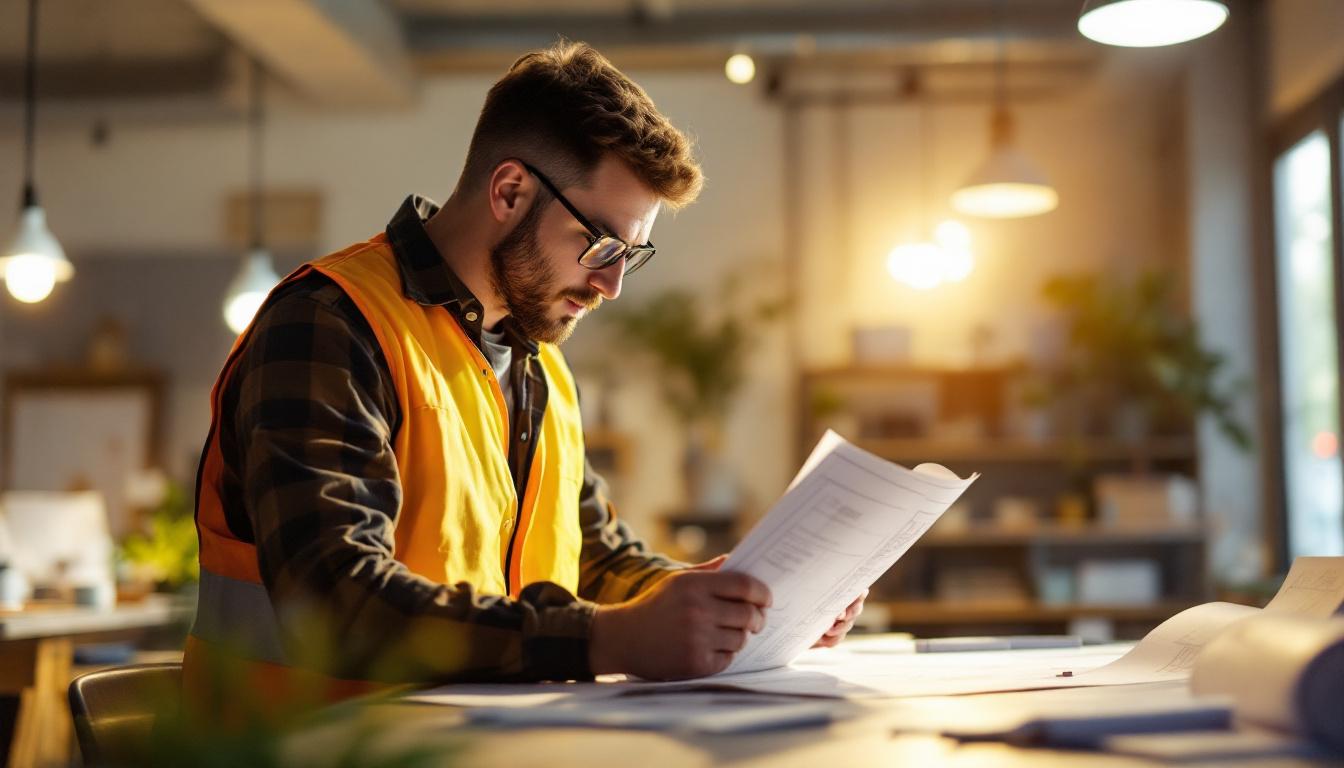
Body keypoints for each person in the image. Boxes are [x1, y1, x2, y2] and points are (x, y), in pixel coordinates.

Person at [184, 41, 864, 711]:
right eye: (600, 246)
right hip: (298, 749)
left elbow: (596, 560)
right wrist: (604, 639)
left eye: (632, 254)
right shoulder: (330, 326)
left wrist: (734, 604)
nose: (612, 285)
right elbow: (340, 599)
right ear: (509, 191)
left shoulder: (539, 367)